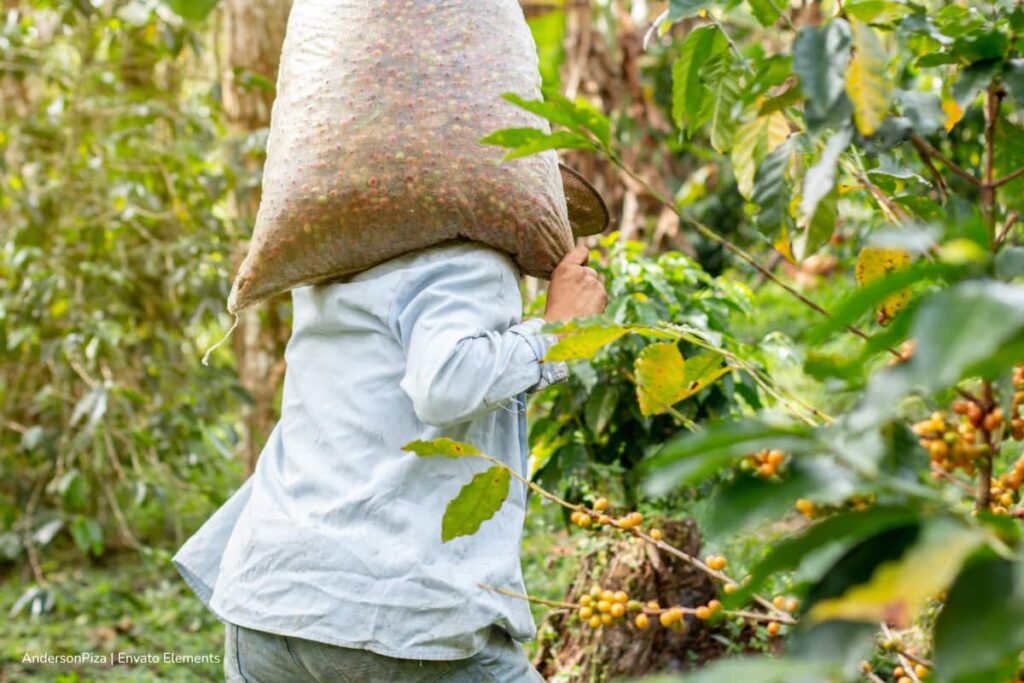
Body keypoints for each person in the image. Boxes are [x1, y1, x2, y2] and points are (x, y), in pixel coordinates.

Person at [174, 239, 608, 682]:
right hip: (391, 616)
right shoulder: (467, 258)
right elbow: (446, 383)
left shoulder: (332, 257)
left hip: (266, 605)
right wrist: (560, 329)